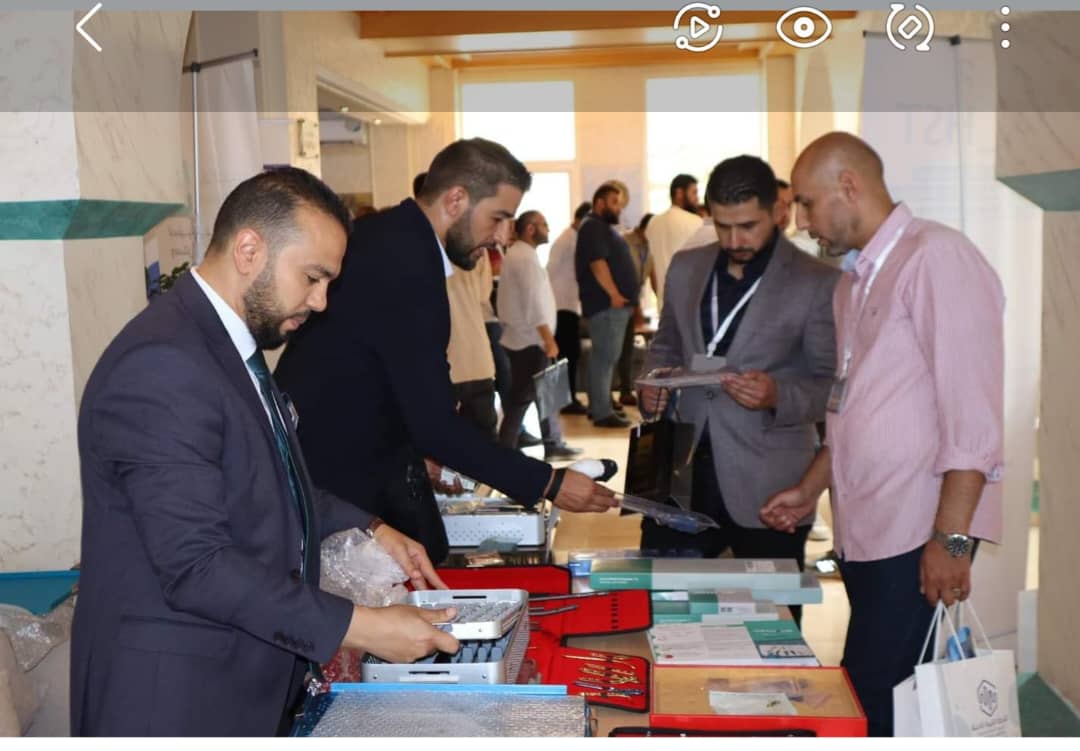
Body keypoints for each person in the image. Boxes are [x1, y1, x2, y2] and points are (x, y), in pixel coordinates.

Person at [71, 168, 457, 737]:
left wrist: (371, 528)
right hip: (171, 702)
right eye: (313, 277)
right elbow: (197, 567)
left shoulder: (224, 348)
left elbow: (268, 482)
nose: (321, 302)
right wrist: (361, 626)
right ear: (249, 249)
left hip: (235, 684)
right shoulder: (161, 365)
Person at [760, 132, 1005, 736]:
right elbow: (852, 405)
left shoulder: (936, 258)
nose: (801, 222)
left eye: (806, 203)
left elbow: (972, 416)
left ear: (849, 187)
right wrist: (811, 487)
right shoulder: (855, 279)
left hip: (918, 526)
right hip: (866, 526)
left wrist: (951, 541)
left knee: (876, 697)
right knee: (880, 695)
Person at [274, 138, 617, 562]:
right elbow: (433, 422)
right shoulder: (404, 261)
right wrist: (549, 483)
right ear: (456, 200)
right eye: (497, 218)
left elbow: (378, 378)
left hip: (349, 460)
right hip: (337, 482)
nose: (500, 236)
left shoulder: (393, 238)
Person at [638, 156, 840, 625]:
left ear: (778, 212)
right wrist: (652, 381)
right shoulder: (686, 267)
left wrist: (778, 394)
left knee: (770, 627)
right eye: (722, 226)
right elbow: (665, 344)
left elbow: (832, 387)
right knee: (669, 620)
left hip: (769, 486)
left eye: (747, 226)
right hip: (679, 480)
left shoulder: (818, 282)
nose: (734, 241)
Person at [496, 210, 583, 460]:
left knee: (544, 393)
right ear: (530, 229)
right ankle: (505, 452)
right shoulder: (523, 257)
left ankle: (552, 442)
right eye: (544, 224)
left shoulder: (524, 254)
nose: (549, 229)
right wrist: (548, 338)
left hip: (529, 338)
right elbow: (533, 302)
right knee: (522, 398)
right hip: (529, 340)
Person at [576, 183, 640, 428]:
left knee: (602, 357)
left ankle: (598, 407)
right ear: (599, 203)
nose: (619, 208)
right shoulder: (593, 227)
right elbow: (597, 263)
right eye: (614, 203)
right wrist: (614, 294)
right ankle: (603, 412)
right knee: (605, 357)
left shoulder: (598, 227)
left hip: (609, 305)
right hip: (607, 305)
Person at [547, 201, 592, 415]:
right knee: (567, 354)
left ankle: (569, 397)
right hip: (561, 305)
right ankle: (566, 400)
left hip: (569, 305)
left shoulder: (574, 239)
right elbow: (550, 271)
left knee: (571, 354)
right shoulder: (566, 240)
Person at [616, 213, 658, 407]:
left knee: (627, 348)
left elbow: (652, 275)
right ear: (645, 228)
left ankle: (626, 390)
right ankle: (611, 395)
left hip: (634, 299)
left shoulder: (649, 246)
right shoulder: (624, 242)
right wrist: (636, 306)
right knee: (616, 350)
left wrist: (662, 303)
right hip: (620, 301)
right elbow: (625, 276)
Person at [645, 174, 702, 308]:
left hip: (664, 304)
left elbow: (651, 269)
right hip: (689, 303)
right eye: (694, 192)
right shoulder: (696, 222)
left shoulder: (652, 223)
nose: (697, 199)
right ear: (679, 193)